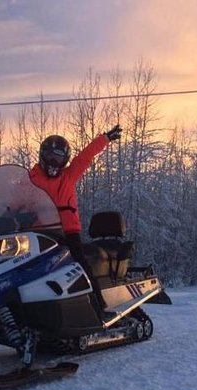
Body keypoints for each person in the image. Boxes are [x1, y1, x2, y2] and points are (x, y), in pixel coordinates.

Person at [29, 125, 122, 319]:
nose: (55, 162)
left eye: (59, 158)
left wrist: (104, 139)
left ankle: (99, 306)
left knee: (80, 265)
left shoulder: (68, 176)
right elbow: (15, 198)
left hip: (68, 231)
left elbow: (85, 157)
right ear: (42, 156)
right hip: (39, 232)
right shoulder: (31, 179)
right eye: (51, 156)